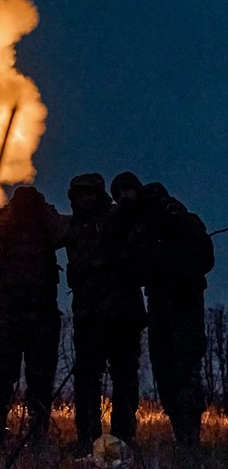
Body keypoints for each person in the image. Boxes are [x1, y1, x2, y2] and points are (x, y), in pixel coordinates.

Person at [119, 178, 213, 450]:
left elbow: (204, 257)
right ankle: (182, 437)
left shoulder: (175, 216)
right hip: (159, 304)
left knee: (185, 371)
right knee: (165, 373)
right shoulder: (139, 229)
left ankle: (190, 440)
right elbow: (134, 267)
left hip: (183, 304)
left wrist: (174, 267)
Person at [0, 186, 66, 444]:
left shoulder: (47, 225)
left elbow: (64, 232)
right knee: (1, 379)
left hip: (41, 317)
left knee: (40, 381)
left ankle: (38, 436)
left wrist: (43, 212)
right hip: (9, 315)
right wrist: (10, 218)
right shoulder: (7, 225)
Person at [63, 173, 145, 455]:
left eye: (89, 194)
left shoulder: (118, 219)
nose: (84, 200)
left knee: (124, 378)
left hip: (121, 316)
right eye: (78, 195)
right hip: (87, 318)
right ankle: (87, 438)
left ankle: (121, 438)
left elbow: (133, 259)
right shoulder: (72, 227)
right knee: (87, 379)